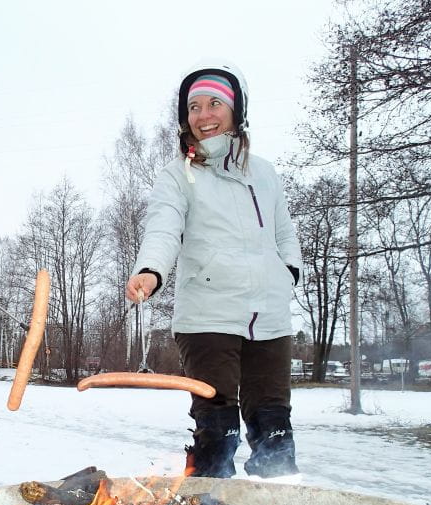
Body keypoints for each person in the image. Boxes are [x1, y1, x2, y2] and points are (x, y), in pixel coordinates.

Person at [125, 60, 302, 481]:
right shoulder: (177, 176)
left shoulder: (265, 173)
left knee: (274, 423)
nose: (203, 116)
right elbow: (163, 229)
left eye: (214, 104)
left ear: (236, 109)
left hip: (270, 316)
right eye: (193, 107)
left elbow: (285, 234)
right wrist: (149, 271)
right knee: (217, 426)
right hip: (208, 314)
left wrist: (289, 273)